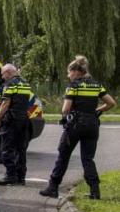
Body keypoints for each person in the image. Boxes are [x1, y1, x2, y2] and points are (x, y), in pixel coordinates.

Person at [40, 56, 116, 199]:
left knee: (63, 155)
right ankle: (95, 191)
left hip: (76, 125)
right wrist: (97, 111)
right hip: (92, 124)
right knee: (88, 159)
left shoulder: (73, 86)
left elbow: (65, 109)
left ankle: (53, 187)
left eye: (69, 72)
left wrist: (65, 115)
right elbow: (111, 103)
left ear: (76, 71)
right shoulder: (96, 85)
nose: (68, 76)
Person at [0, 64, 33, 186]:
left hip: (11, 121)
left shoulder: (10, 84)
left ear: (8, 72)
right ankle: (21, 177)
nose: (2, 77)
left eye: (3, 74)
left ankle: (10, 175)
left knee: (7, 149)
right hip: (24, 120)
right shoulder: (25, 84)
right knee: (21, 149)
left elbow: (5, 103)